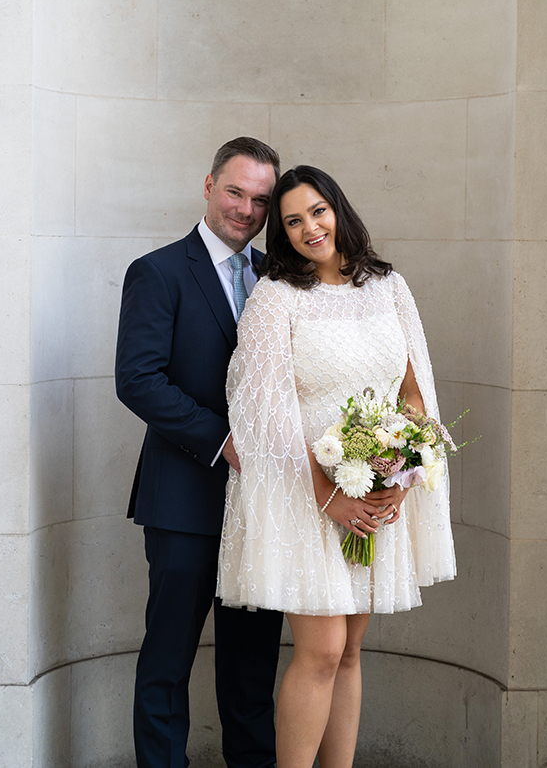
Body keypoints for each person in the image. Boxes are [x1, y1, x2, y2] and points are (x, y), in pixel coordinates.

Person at [217, 165, 456, 768]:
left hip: (375, 496)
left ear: (338, 209)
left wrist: (398, 480)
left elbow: (413, 393)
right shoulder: (275, 298)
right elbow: (261, 413)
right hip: (306, 495)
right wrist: (330, 496)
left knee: (350, 651)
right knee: (320, 652)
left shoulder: (389, 287)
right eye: (292, 220)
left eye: (317, 211)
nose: (309, 228)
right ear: (282, 233)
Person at [115, 137, 284, 768]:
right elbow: (138, 380)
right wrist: (223, 441)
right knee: (167, 664)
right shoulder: (157, 272)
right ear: (208, 185)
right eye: (236, 192)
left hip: (263, 508)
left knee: (252, 670)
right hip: (183, 501)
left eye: (259, 200)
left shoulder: (277, 276)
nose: (245, 209)